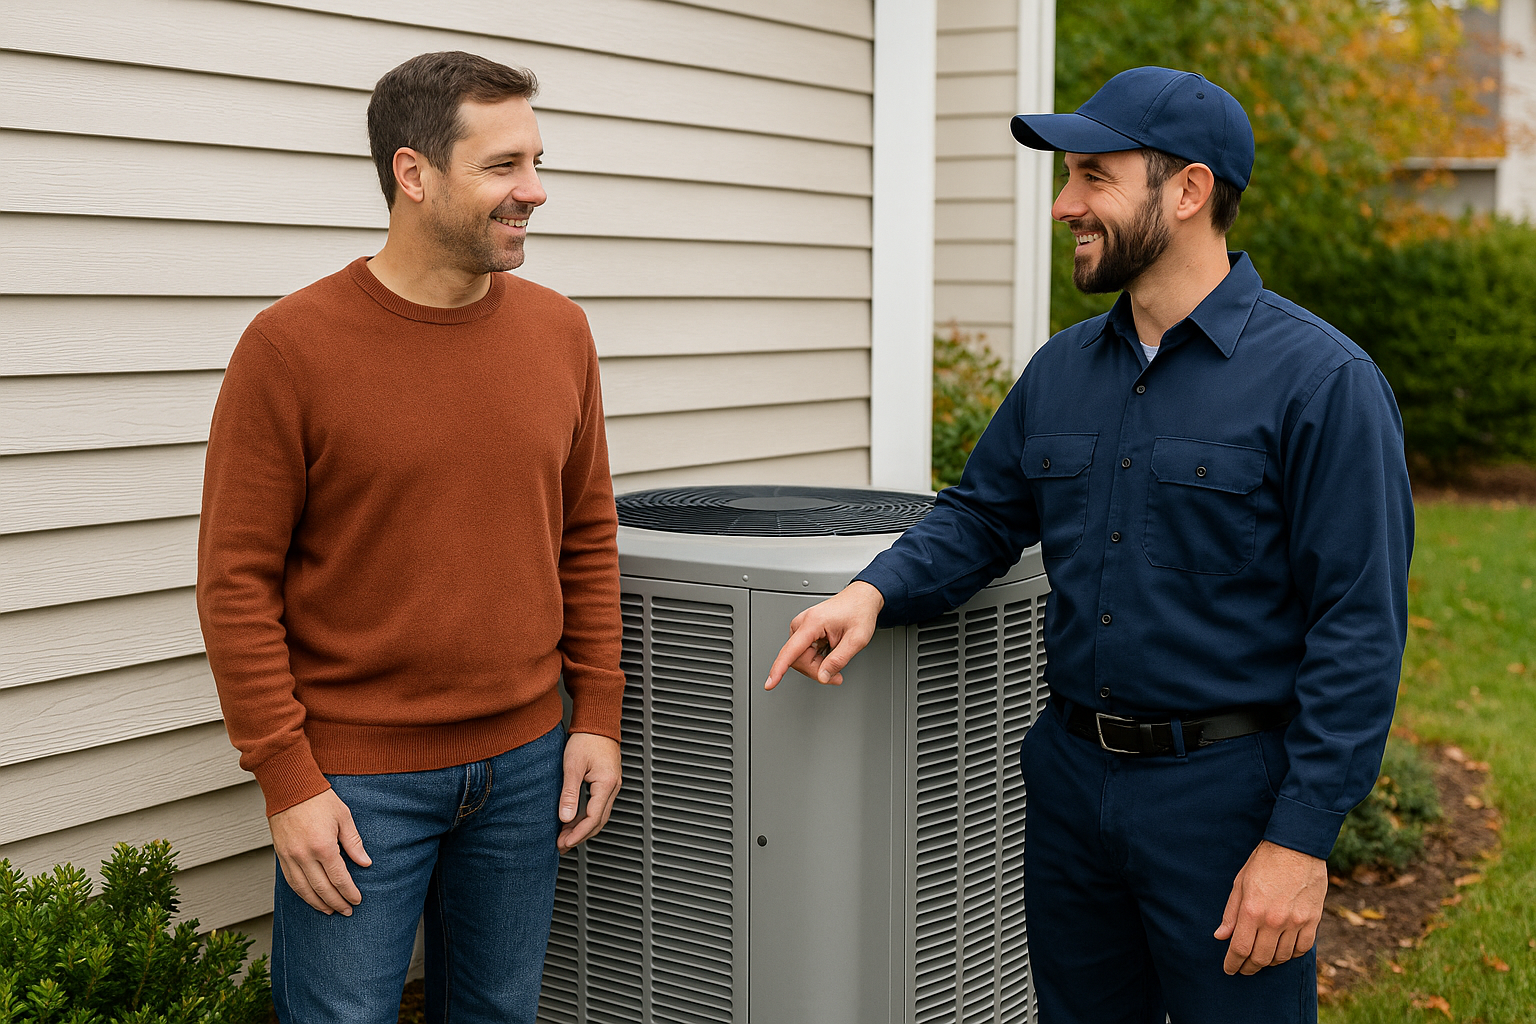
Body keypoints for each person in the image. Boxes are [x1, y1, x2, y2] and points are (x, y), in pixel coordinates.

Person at [766, 66, 1412, 1023]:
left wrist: (1301, 842)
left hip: (1226, 801)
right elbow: (983, 514)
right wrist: (873, 592)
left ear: (1188, 191)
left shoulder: (1321, 383)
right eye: (1066, 180)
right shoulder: (1061, 370)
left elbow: (1358, 629)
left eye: (1094, 177)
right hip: (1071, 783)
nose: (1066, 205)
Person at [196, 51, 625, 1024]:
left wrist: (595, 709)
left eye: (537, 160)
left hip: (527, 764)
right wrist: (287, 778)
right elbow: (236, 583)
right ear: (414, 173)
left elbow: (587, 533)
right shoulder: (291, 348)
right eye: (504, 166)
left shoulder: (561, 333)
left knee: (501, 1011)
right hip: (357, 781)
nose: (536, 190)